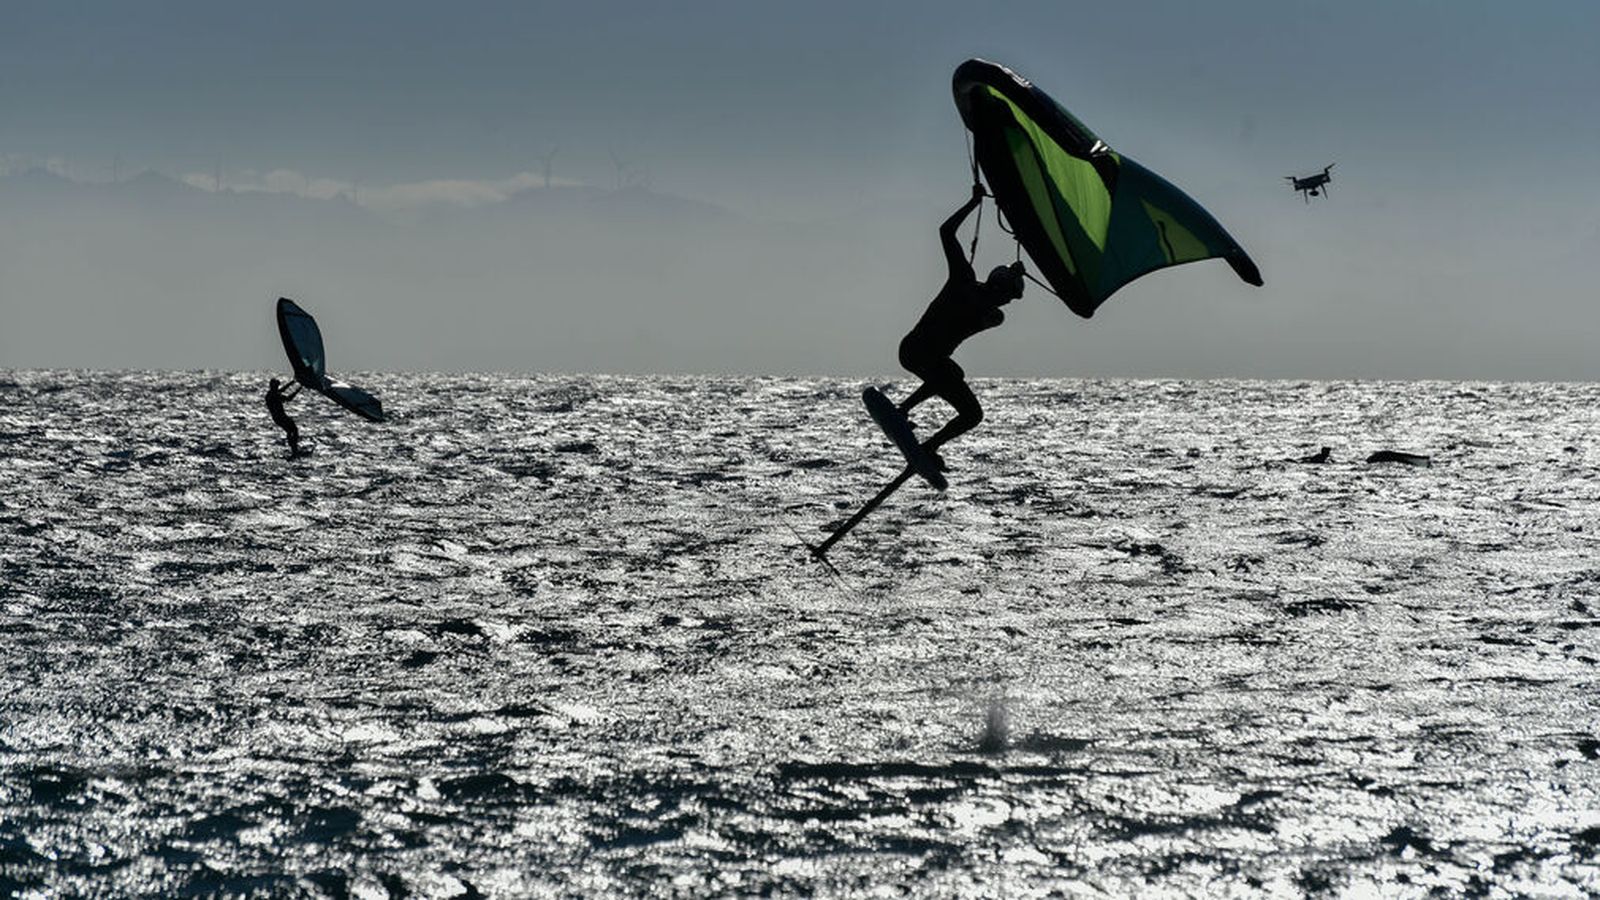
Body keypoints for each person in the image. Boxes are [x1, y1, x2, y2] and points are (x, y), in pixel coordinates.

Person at [894, 183, 1025, 469]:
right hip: (915, 350)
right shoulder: (964, 280)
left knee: (963, 393)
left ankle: (921, 435)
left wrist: (1014, 271)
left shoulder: (990, 311)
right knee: (957, 387)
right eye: (1007, 296)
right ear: (998, 287)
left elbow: (987, 313)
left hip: (926, 358)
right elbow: (945, 232)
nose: (1006, 304)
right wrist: (973, 203)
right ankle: (907, 417)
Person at [266, 378, 303, 456]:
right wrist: (299, 388)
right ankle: (294, 450)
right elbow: (289, 398)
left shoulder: (270, 393)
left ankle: (294, 450)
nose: (278, 387)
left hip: (277, 417)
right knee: (294, 430)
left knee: (290, 431)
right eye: (276, 386)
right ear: (273, 386)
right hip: (280, 417)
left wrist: (293, 382)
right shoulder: (275, 395)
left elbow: (282, 389)